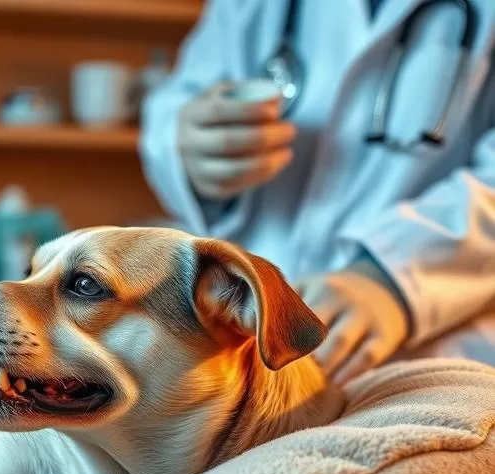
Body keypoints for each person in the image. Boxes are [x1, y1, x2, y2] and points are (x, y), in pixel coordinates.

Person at [140, 0, 495, 384]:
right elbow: (180, 98)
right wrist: (187, 145)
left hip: (429, 343)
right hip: (243, 335)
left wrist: (392, 277)